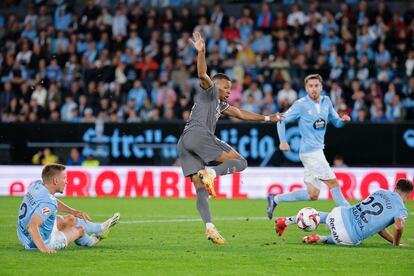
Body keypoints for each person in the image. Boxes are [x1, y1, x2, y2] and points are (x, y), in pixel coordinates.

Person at [177, 32, 283, 244]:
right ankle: (212, 173)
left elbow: (242, 114)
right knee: (241, 162)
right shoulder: (210, 91)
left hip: (184, 142)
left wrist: (267, 118)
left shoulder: (221, 104)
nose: (229, 91)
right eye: (227, 87)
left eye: (231, 88)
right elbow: (202, 73)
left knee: (200, 189)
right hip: (199, 135)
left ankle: (209, 227)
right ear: (217, 86)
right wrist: (201, 52)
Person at [267, 74, 351, 220]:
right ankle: (352, 215)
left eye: (316, 86)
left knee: (313, 194)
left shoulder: (327, 101)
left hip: (316, 151)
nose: (313, 89)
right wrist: (283, 141)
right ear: (306, 88)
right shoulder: (301, 104)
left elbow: (336, 122)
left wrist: (343, 120)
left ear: (321, 87)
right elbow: (281, 120)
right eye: (310, 86)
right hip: (311, 152)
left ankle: (275, 199)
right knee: (333, 183)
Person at [274, 179, 412, 246]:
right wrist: (396, 243)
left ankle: (286, 221)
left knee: (325, 217)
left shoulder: (380, 191)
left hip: (339, 214)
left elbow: (379, 227)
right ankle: (321, 238)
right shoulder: (401, 209)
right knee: (355, 241)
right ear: (409, 194)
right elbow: (398, 227)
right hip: (348, 235)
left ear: (395, 188)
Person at [17, 163, 120, 253]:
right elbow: (32, 226)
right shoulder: (48, 203)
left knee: (71, 218)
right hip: (38, 242)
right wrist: (44, 248)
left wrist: (73, 211)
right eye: (64, 178)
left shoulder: (38, 185)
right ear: (56, 181)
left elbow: (50, 201)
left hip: (23, 234)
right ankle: (91, 241)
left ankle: (100, 228)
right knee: (79, 230)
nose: (66, 182)